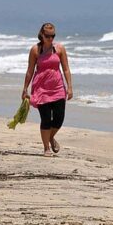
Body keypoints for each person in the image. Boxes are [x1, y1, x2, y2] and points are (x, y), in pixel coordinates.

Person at [21, 23, 73, 157]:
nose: (51, 38)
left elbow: (66, 69)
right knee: (46, 120)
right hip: (41, 89)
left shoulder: (60, 49)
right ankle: (46, 148)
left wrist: (70, 87)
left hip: (58, 88)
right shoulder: (35, 50)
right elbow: (30, 71)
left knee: (59, 119)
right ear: (42, 35)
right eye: (48, 36)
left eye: (53, 36)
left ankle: (50, 137)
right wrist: (25, 88)